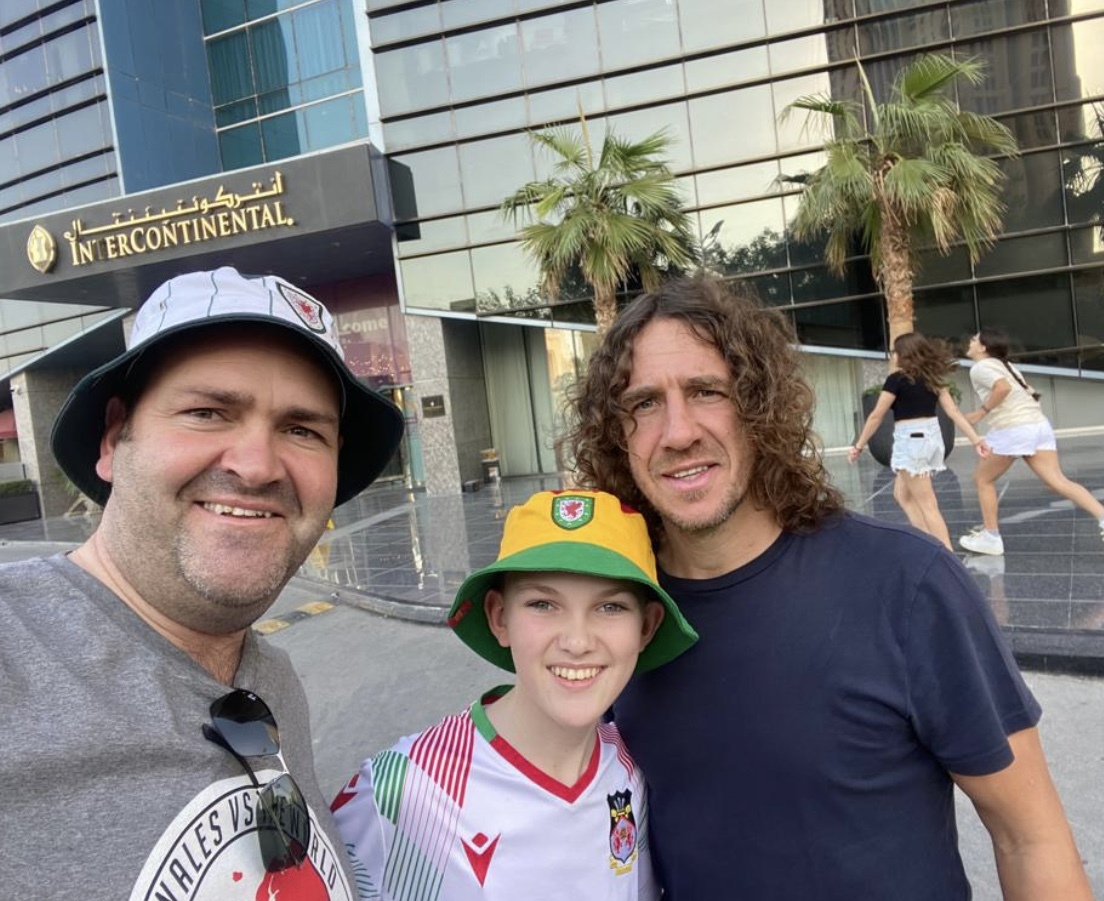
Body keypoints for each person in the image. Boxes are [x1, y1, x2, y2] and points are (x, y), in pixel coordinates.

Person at [563, 275, 1091, 900]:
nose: (677, 432)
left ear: (759, 406)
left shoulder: (907, 586)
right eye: (644, 403)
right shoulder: (614, 611)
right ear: (615, 433)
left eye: (707, 391)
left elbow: (1028, 838)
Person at [0, 267, 404, 900]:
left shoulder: (271, 681)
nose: (257, 465)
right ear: (113, 437)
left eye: (302, 430)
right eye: (207, 412)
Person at [331, 489, 698, 900]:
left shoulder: (628, 774)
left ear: (646, 628)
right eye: (543, 604)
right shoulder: (399, 791)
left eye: (610, 607)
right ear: (499, 617)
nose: (577, 642)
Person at [958, 327, 1104, 556]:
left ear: (983, 347)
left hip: (1014, 429)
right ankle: (1102, 516)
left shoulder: (981, 367)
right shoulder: (1006, 365)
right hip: (1037, 425)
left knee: (982, 479)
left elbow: (1002, 388)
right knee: (1057, 480)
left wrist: (980, 413)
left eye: (975, 339)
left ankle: (991, 537)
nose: (970, 342)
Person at [849, 331, 990, 550]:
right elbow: (953, 412)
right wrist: (975, 439)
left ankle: (946, 555)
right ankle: (926, 543)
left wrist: (858, 445)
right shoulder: (934, 379)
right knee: (901, 494)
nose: (892, 355)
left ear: (904, 354)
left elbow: (877, 415)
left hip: (911, 441)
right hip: (931, 440)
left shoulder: (896, 380)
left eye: (895, 351)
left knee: (928, 504)